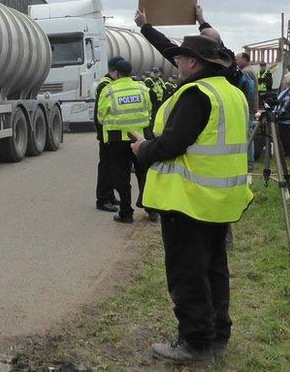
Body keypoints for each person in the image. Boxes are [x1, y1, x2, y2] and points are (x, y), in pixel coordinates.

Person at [129, 35, 254, 365]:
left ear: (193, 62)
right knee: (215, 269)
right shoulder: (232, 92)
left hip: (189, 200)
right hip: (220, 199)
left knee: (188, 272)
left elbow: (172, 144)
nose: (178, 64)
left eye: (181, 59)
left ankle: (196, 343)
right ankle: (217, 335)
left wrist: (143, 149)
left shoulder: (196, 94)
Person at [97, 58, 154, 223]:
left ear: (116, 72)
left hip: (118, 141)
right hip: (141, 138)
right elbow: (149, 110)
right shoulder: (142, 88)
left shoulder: (109, 90)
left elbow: (101, 116)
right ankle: (152, 211)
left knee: (121, 177)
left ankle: (126, 213)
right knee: (144, 174)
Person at [134, 6, 241, 87]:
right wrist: (201, 20)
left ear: (192, 62)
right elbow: (215, 38)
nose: (179, 60)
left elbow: (165, 45)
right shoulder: (229, 65)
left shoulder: (195, 81)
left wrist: (144, 26)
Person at [93, 58, 122, 213]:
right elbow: (99, 113)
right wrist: (100, 133)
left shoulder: (111, 83)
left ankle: (110, 196)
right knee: (105, 166)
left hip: (111, 133)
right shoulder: (105, 85)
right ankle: (102, 199)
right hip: (106, 134)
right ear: (113, 71)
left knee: (111, 165)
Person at [272, 73, 290, 160]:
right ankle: (287, 152)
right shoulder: (288, 91)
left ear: (288, 82)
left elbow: (286, 107)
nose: (283, 82)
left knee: (284, 137)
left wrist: (276, 113)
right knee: (283, 137)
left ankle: (289, 153)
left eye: (284, 80)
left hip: (286, 119)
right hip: (285, 117)